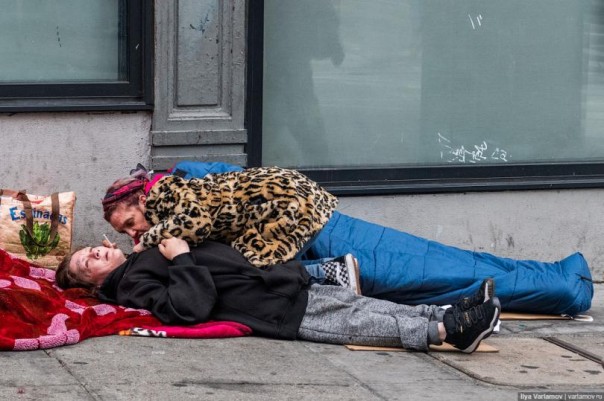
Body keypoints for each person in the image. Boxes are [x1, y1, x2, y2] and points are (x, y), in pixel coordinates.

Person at [99, 163, 594, 316]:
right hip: (318, 233)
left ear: (139, 198)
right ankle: (562, 276)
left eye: (129, 222)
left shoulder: (172, 194)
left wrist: (152, 238)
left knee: (444, 274)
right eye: (126, 234)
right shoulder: (183, 187)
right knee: (449, 270)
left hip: (321, 235)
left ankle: (567, 287)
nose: (132, 234)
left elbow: (203, 216)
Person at [55, 238, 501, 353]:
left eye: (89, 250)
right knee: (361, 323)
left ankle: (444, 312)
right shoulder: (130, 285)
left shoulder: (139, 256)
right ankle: (449, 331)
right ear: (92, 285)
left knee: (364, 306)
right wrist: (182, 257)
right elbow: (186, 308)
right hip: (270, 309)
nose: (92, 254)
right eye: (84, 264)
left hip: (280, 285)